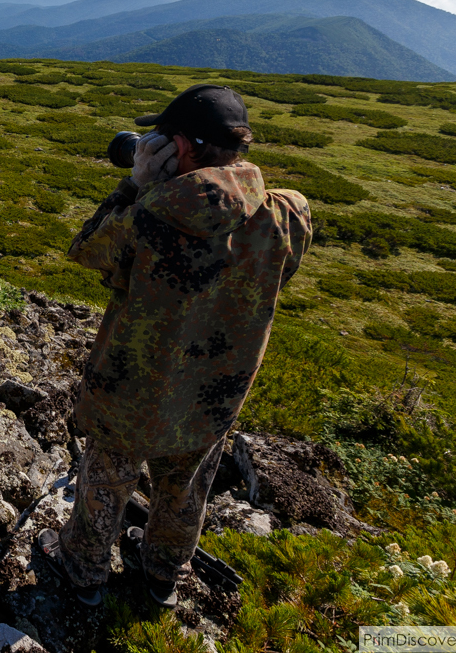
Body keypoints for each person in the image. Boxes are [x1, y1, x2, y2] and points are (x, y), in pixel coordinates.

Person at [37, 84, 312, 608]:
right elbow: (278, 273)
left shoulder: (152, 216)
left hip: (133, 385)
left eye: (161, 138)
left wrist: (135, 185)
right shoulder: (287, 214)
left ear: (183, 147)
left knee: (109, 474)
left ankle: (82, 567)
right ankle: (164, 574)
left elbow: (86, 250)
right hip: (216, 393)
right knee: (187, 485)